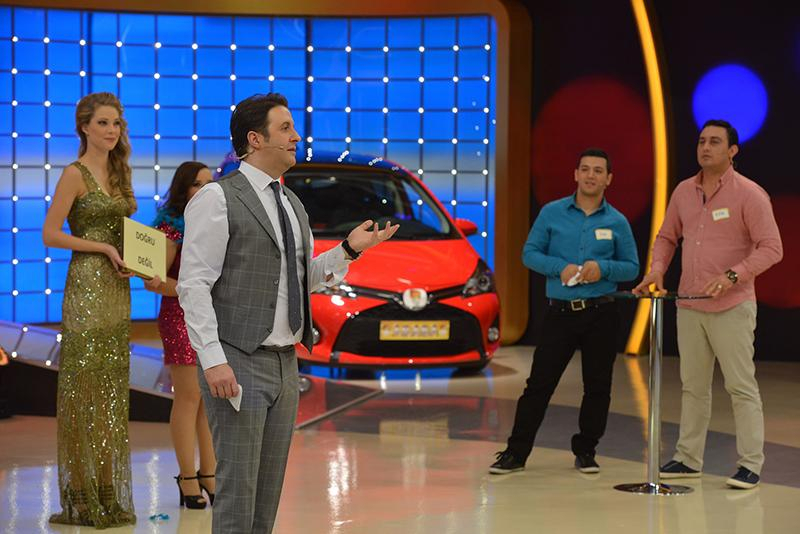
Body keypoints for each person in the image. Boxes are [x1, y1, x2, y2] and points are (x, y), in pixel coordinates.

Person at [177, 92, 399, 533]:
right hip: (238, 358)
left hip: (285, 362)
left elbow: (299, 280)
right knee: (237, 493)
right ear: (255, 139)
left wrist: (350, 249)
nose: (297, 136)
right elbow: (194, 285)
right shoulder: (217, 198)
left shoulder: (292, 203)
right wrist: (214, 360)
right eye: (285, 128)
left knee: (267, 494)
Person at [633, 119, 783, 489]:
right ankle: (688, 459)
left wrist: (733, 275)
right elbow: (666, 237)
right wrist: (657, 269)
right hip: (689, 303)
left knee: (740, 386)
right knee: (693, 387)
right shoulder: (684, 191)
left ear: (732, 151)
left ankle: (750, 464)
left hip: (732, 306)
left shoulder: (750, 194)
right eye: (702, 141)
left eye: (715, 142)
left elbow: (772, 248)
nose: (705, 147)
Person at [490, 148, 639, 475]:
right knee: (539, 384)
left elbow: (631, 267)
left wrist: (603, 268)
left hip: (602, 313)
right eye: (585, 169)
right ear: (575, 174)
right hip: (561, 313)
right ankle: (516, 453)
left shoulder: (617, 221)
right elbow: (529, 254)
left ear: (609, 179)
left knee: (598, 386)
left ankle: (586, 450)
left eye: (598, 171)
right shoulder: (552, 213)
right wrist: (561, 268)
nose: (590, 175)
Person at [42, 92, 137, 527]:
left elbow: (126, 233)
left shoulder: (119, 171)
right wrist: (102, 247)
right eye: (103, 123)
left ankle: (107, 492)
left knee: (112, 391)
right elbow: (50, 234)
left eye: (116, 123)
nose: (111, 130)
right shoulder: (74, 173)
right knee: (83, 392)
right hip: (85, 287)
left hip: (117, 288)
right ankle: (80, 497)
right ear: (84, 127)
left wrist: (134, 257)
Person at [143, 162, 216, 509]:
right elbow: (155, 281)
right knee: (188, 397)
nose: (205, 189)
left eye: (210, 183)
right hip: (180, 317)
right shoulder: (170, 226)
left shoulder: (216, 221)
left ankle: (209, 473)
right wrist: (192, 290)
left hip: (211, 316)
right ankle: (188, 477)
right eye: (197, 184)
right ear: (183, 188)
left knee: (209, 398)